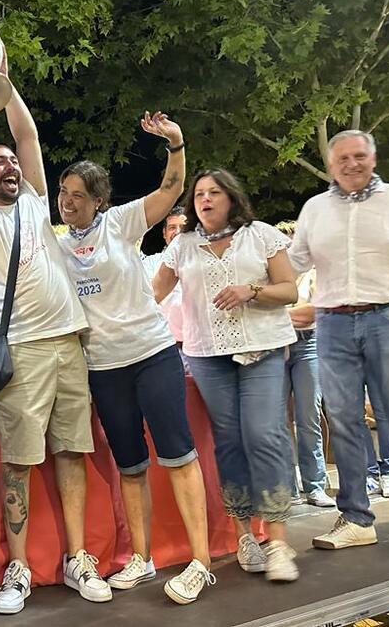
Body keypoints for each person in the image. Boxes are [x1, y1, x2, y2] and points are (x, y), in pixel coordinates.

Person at [0, 86, 109, 614]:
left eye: (11, 162)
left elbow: (27, 134)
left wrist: (4, 83)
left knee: (72, 452)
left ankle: (77, 557)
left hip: (68, 343)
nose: (9, 167)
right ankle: (18, 568)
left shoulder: (35, 203)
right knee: (19, 463)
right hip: (20, 350)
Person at [56, 113, 214, 605]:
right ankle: (141, 559)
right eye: (63, 192)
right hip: (103, 368)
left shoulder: (120, 223)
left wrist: (175, 143)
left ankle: (201, 563)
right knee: (130, 465)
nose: (67, 201)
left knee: (180, 456)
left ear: (99, 200)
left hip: (151, 354)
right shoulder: (57, 245)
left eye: (78, 194)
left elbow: (170, 189)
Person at [289, 129, 389, 555]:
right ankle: (357, 517)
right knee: (342, 419)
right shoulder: (314, 208)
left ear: (373, 158)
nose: (352, 164)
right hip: (332, 321)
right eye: (342, 158)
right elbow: (292, 261)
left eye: (359, 155)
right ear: (330, 165)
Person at [153, 168, 300, 583]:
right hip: (206, 356)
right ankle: (243, 536)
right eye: (199, 193)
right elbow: (152, 295)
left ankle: (279, 542)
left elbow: (289, 289)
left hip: (262, 349)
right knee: (229, 441)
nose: (205, 199)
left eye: (214, 192)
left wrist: (251, 291)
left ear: (231, 198)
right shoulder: (182, 245)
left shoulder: (262, 235)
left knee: (264, 435)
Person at [275, 221, 333, 508]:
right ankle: (288, 487)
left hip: (307, 343)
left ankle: (315, 484)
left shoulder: (314, 274)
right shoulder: (270, 277)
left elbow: (314, 312)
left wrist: (277, 313)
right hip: (275, 346)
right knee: (279, 419)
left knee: (308, 415)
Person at [142, 205, 188, 362]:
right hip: (164, 346)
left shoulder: (203, 262)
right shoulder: (150, 264)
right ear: (164, 233)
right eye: (172, 227)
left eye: (183, 227)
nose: (177, 232)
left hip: (198, 346)